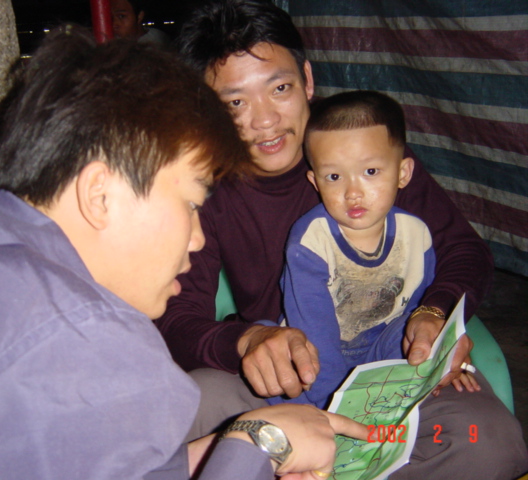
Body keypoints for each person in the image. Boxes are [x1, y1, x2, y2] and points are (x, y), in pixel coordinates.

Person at [0, 26, 368, 479]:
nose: (198, 237)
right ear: (101, 194)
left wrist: (222, 451)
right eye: (190, 204)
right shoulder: (79, 337)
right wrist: (265, 442)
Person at [156, 0, 528, 478]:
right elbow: (176, 319)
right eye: (235, 102)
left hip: (396, 376)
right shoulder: (202, 191)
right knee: (188, 414)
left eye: (280, 88)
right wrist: (247, 339)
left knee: (488, 444)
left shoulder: (368, 151)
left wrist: (437, 316)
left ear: (307, 80)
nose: (264, 120)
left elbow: (463, 250)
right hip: (278, 387)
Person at [270, 90, 444, 409]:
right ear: (315, 181)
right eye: (334, 176)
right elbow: (314, 332)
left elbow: (415, 312)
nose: (352, 192)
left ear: (403, 173)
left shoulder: (416, 235)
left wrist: (437, 350)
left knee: (416, 338)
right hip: (315, 360)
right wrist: (335, 408)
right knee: (282, 369)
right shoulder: (311, 241)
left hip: (377, 351)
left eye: (371, 172)